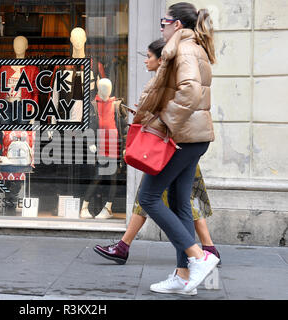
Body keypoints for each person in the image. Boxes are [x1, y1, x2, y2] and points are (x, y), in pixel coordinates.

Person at [94, 39, 220, 266]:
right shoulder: (178, 72)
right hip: (179, 144)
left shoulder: (170, 77)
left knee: (157, 197)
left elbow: (169, 108)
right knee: (178, 198)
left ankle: (201, 254)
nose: (145, 60)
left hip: (170, 146)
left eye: (149, 56)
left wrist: (155, 120)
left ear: (161, 59)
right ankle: (197, 259)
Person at [125, 2, 219, 296]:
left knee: (149, 197)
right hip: (191, 138)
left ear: (177, 24)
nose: (161, 27)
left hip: (181, 137)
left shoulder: (185, 50)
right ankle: (182, 275)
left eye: (164, 21)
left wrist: (166, 122)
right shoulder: (189, 47)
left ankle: (198, 256)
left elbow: (190, 91)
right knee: (179, 204)